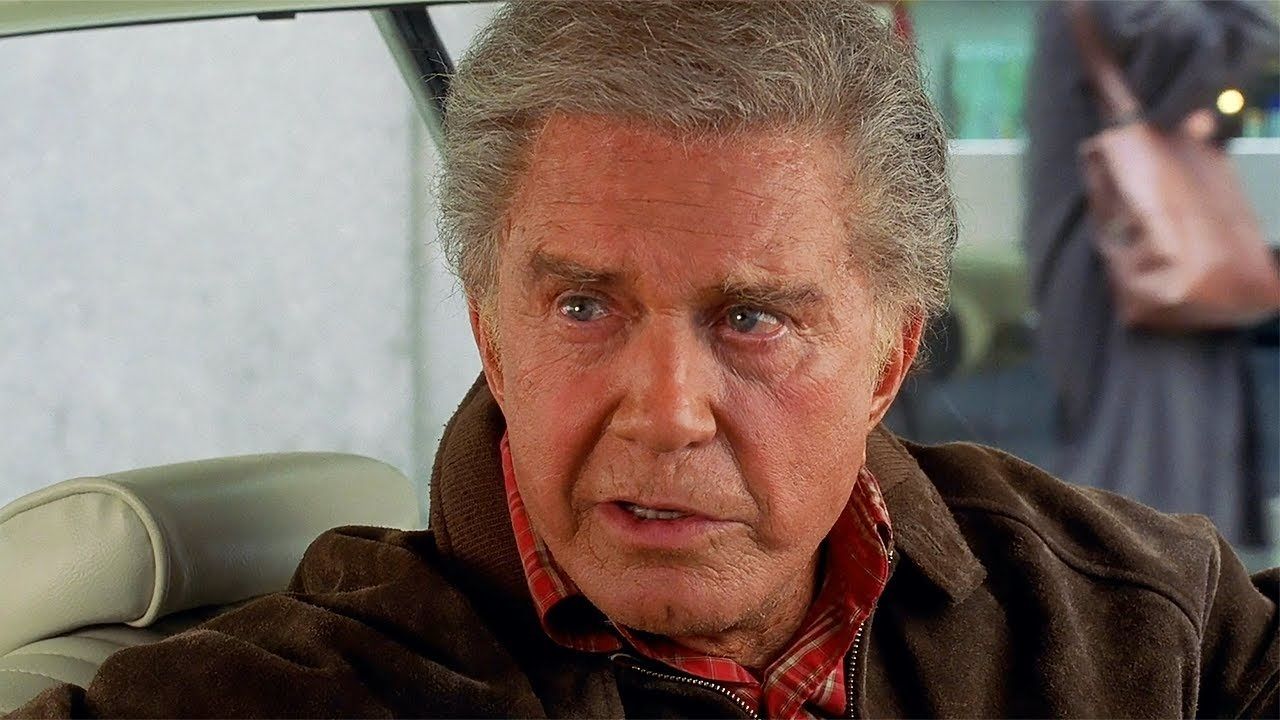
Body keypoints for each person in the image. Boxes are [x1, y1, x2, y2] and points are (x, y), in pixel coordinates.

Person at [11, 1, 1278, 717]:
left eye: (752, 319)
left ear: (888, 358)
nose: (667, 413)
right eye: (582, 307)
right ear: (489, 332)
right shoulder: (279, 699)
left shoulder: (1139, 615)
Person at [1024, 1, 1280, 550]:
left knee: (1147, 472)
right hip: (1123, 252)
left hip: (1123, 242)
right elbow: (1183, 53)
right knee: (1148, 472)